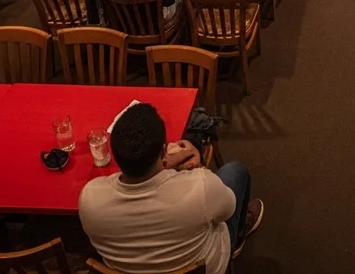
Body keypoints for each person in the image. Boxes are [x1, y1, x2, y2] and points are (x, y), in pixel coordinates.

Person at [79, 102, 264, 274]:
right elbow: (228, 210)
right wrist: (198, 167)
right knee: (236, 171)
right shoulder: (201, 185)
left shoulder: (89, 199)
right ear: (164, 151)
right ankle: (238, 238)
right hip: (207, 266)